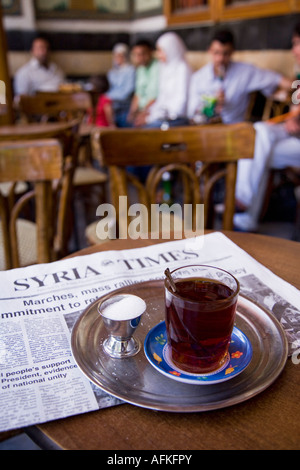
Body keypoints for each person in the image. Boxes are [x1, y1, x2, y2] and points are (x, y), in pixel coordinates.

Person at [234, 23, 300, 232]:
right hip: (293, 136)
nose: (293, 50)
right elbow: (294, 109)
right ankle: (245, 208)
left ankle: (243, 208)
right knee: (258, 132)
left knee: (256, 153)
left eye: (298, 44)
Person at [188, 30, 292, 124]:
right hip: (205, 129)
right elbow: (191, 112)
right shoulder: (198, 78)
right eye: (216, 53)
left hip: (235, 128)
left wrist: (296, 86)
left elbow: (276, 79)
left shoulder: (245, 72)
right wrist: (210, 104)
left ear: (232, 51)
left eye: (225, 54)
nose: (220, 59)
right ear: (209, 51)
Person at [138, 32, 192, 128]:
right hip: (163, 117)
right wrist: (149, 113)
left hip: (177, 119)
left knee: (146, 130)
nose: (158, 55)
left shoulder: (183, 69)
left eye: (160, 50)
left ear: (171, 49)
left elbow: (180, 107)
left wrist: (150, 119)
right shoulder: (165, 68)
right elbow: (162, 98)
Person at [127, 39, 159, 127]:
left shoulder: (158, 67)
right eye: (136, 55)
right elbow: (138, 94)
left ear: (151, 52)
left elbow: (155, 97)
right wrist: (132, 113)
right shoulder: (140, 69)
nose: (139, 58)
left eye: (142, 54)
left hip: (152, 110)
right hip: (141, 110)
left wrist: (142, 113)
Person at [107, 43, 135, 128]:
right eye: (116, 56)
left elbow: (127, 92)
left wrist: (108, 97)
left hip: (125, 109)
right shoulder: (112, 72)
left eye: (121, 55)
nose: (118, 58)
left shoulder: (131, 70)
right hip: (113, 109)